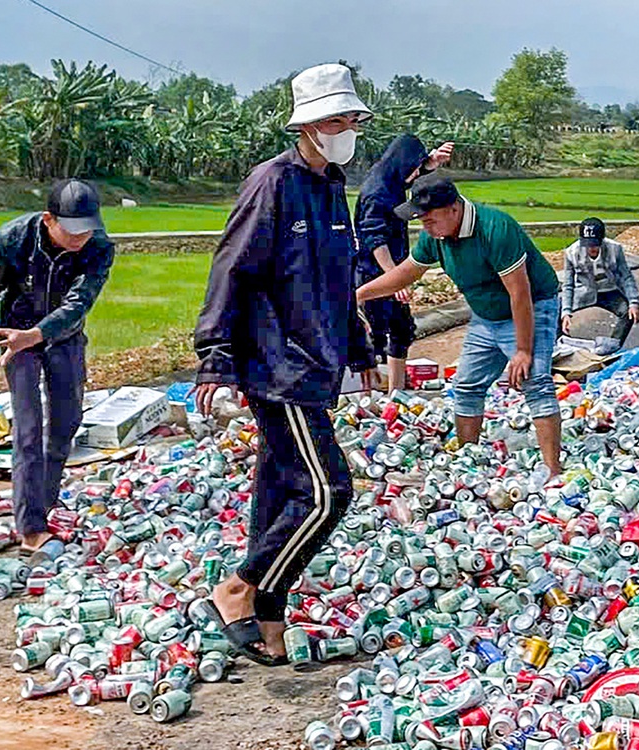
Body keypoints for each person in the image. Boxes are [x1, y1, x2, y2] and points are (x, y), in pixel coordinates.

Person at [191, 63, 376, 665]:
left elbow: (339, 277)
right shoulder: (273, 183)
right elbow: (232, 268)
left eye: (351, 119)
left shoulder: (332, 187)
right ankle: (240, 588)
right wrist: (214, 358)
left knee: (277, 494)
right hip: (279, 366)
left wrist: (359, 346)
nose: (345, 128)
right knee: (328, 492)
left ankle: (269, 621)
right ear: (307, 126)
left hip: (317, 363)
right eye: (333, 120)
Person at [356, 176, 563, 480]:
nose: (424, 226)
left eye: (429, 218)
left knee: (535, 382)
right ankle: (469, 461)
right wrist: (358, 295)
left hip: (532, 307)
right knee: (466, 385)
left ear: (454, 209)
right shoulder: (435, 237)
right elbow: (404, 275)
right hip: (486, 315)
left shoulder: (495, 229)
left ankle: (552, 471)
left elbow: (520, 293)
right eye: (420, 220)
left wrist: (523, 350)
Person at [0, 179, 114, 556]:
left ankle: (45, 504)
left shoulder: (99, 247)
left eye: (88, 229)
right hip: (15, 336)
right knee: (27, 428)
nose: (81, 238)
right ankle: (31, 528)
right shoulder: (13, 239)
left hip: (64, 336)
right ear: (48, 220)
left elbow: (78, 304)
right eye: (72, 231)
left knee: (65, 422)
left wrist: (38, 334)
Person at [355, 134, 453, 390]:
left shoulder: (394, 178)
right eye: (416, 168)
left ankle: (395, 394)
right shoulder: (377, 193)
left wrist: (430, 164)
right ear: (403, 164)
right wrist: (395, 277)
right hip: (375, 273)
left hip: (396, 268)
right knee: (373, 337)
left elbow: (411, 180)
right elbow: (375, 240)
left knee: (402, 329)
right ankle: (367, 397)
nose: (417, 173)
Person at [560, 217, 639, 354]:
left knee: (628, 312)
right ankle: (564, 349)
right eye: (588, 245)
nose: (592, 248)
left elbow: (626, 277)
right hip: (584, 292)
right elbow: (568, 284)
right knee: (556, 312)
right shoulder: (571, 253)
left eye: (595, 244)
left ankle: (612, 347)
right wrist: (566, 312)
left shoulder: (615, 249)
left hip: (609, 290)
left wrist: (634, 302)